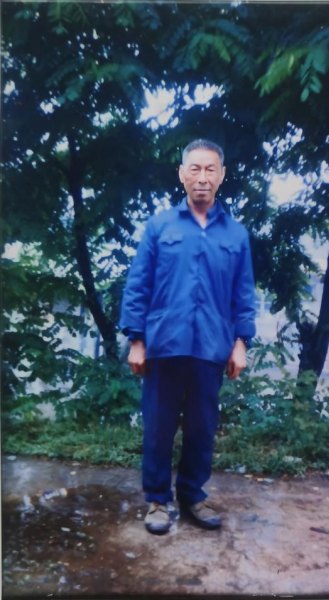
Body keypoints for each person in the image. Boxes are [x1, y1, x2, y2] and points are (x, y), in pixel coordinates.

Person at [119, 139, 256, 535]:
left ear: (222, 175)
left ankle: (193, 495)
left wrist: (241, 342)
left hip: (211, 347)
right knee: (158, 428)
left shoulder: (236, 235)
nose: (202, 177)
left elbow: (243, 293)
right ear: (182, 174)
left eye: (210, 169)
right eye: (194, 169)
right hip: (163, 344)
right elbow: (138, 285)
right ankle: (157, 500)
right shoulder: (160, 226)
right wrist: (137, 339)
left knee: (201, 428)